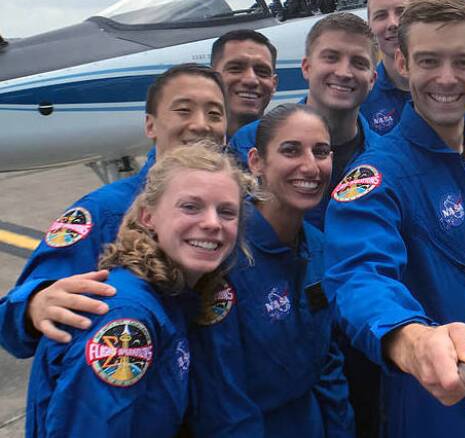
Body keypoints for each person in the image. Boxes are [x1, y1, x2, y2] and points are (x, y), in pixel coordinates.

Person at [324, 0, 465, 437]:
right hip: (434, 395)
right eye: (429, 61)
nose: (447, 79)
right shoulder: (378, 176)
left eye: (463, 61)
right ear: (403, 62)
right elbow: (357, 276)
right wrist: (410, 339)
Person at [26, 141, 254, 438]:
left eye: (226, 212)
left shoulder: (173, 297)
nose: (212, 223)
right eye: (190, 207)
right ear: (148, 216)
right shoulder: (127, 317)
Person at [0, 64, 228, 358]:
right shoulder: (103, 212)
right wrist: (33, 304)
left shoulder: (233, 212)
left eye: (214, 114)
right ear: (150, 125)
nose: (201, 125)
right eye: (183, 111)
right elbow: (10, 323)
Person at [189, 104, 354, 437]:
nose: (310, 166)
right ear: (256, 162)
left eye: (321, 152)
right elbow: (222, 399)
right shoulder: (224, 257)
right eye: (291, 150)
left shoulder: (321, 249)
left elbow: (328, 364)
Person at [228, 13, 381, 231]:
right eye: (331, 57)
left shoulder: (384, 157)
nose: (344, 72)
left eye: (358, 63)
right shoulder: (249, 140)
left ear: (373, 79)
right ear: (306, 67)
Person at [360, 0, 465, 135]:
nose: (393, 23)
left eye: (401, 12)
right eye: (381, 15)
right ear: (369, 26)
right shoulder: (364, 95)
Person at [211, 29, 278, 138]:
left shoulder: (291, 150)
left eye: (262, 72)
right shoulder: (187, 150)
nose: (251, 80)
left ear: (274, 85)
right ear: (212, 78)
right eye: (236, 68)